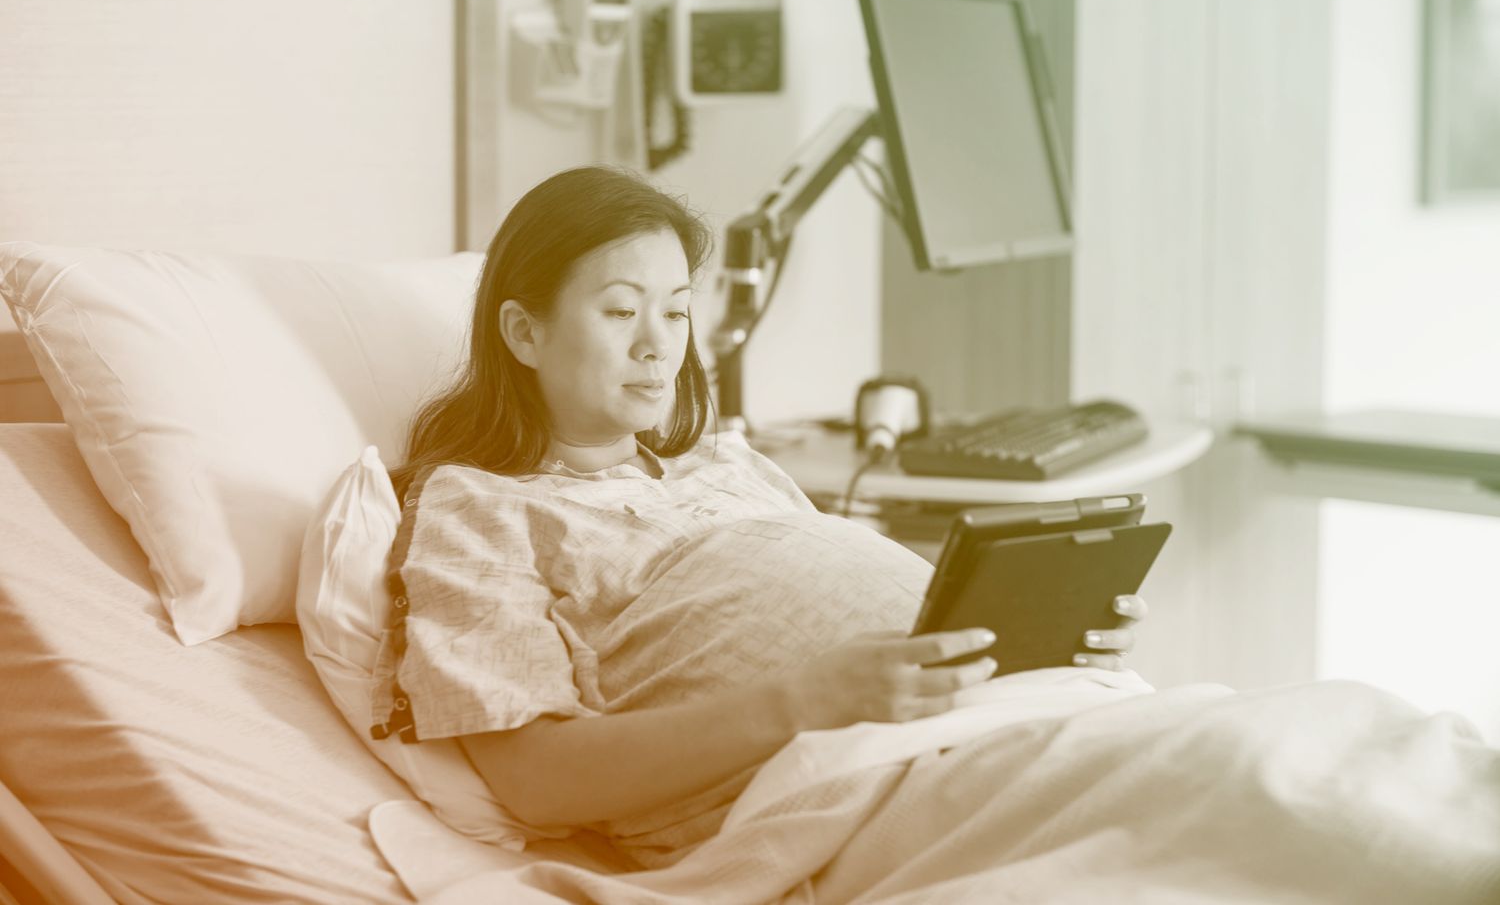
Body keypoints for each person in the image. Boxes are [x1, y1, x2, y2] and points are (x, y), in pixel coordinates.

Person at [373, 165, 1144, 867]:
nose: (656, 346)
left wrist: (1042, 636)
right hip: (862, 783)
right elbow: (536, 783)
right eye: (620, 311)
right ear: (523, 332)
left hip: (1002, 716)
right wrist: (809, 700)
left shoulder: (724, 461)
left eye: (676, 313)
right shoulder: (477, 509)